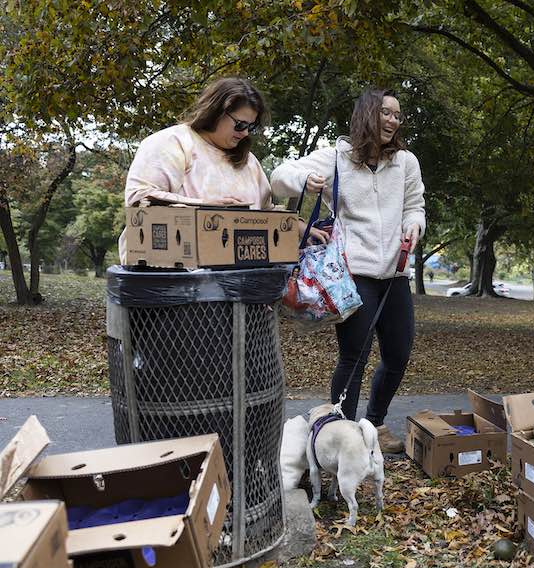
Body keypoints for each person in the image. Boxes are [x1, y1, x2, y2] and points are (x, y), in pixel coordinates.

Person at [271, 88, 426, 453]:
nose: (392, 120)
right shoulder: (336, 157)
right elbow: (279, 176)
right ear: (367, 114)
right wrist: (303, 181)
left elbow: (415, 205)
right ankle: (340, 439)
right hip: (353, 275)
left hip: (394, 274)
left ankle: (374, 423)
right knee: (354, 357)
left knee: (398, 354)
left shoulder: (405, 161)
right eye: (386, 112)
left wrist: (414, 224)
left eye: (397, 115)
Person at [118, 77, 272, 262]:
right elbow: (139, 198)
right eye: (240, 124)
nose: (245, 133)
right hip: (171, 275)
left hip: (236, 276)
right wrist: (205, 206)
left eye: (251, 126)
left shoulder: (249, 162)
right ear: (216, 112)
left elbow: (266, 212)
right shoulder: (172, 142)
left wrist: (300, 227)